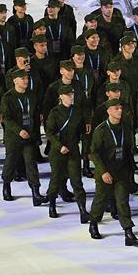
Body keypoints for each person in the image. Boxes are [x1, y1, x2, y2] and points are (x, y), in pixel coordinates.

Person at [89, 99, 138, 246]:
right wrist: (103, 172)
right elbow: (94, 153)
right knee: (100, 200)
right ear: (109, 111)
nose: (119, 110)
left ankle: (128, 232)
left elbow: (128, 150)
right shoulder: (101, 130)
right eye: (116, 108)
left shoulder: (126, 127)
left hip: (121, 172)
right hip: (105, 172)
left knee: (123, 202)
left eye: (120, 108)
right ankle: (93, 223)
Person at [0, 68, 48, 206]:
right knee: (10, 162)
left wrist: (36, 135)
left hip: (29, 136)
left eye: (27, 78)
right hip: (14, 137)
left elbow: (35, 116)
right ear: (15, 81)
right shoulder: (8, 97)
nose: (26, 81)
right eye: (23, 79)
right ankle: (6, 186)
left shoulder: (31, 95)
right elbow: (6, 119)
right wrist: (18, 130)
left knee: (31, 164)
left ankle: (36, 192)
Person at [43, 84, 90, 224]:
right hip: (57, 151)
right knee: (56, 179)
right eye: (68, 95)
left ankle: (82, 210)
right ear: (61, 97)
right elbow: (49, 133)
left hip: (73, 149)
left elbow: (82, 131)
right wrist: (59, 146)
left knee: (77, 181)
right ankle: (52, 205)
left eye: (72, 94)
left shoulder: (77, 111)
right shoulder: (55, 113)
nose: (71, 97)